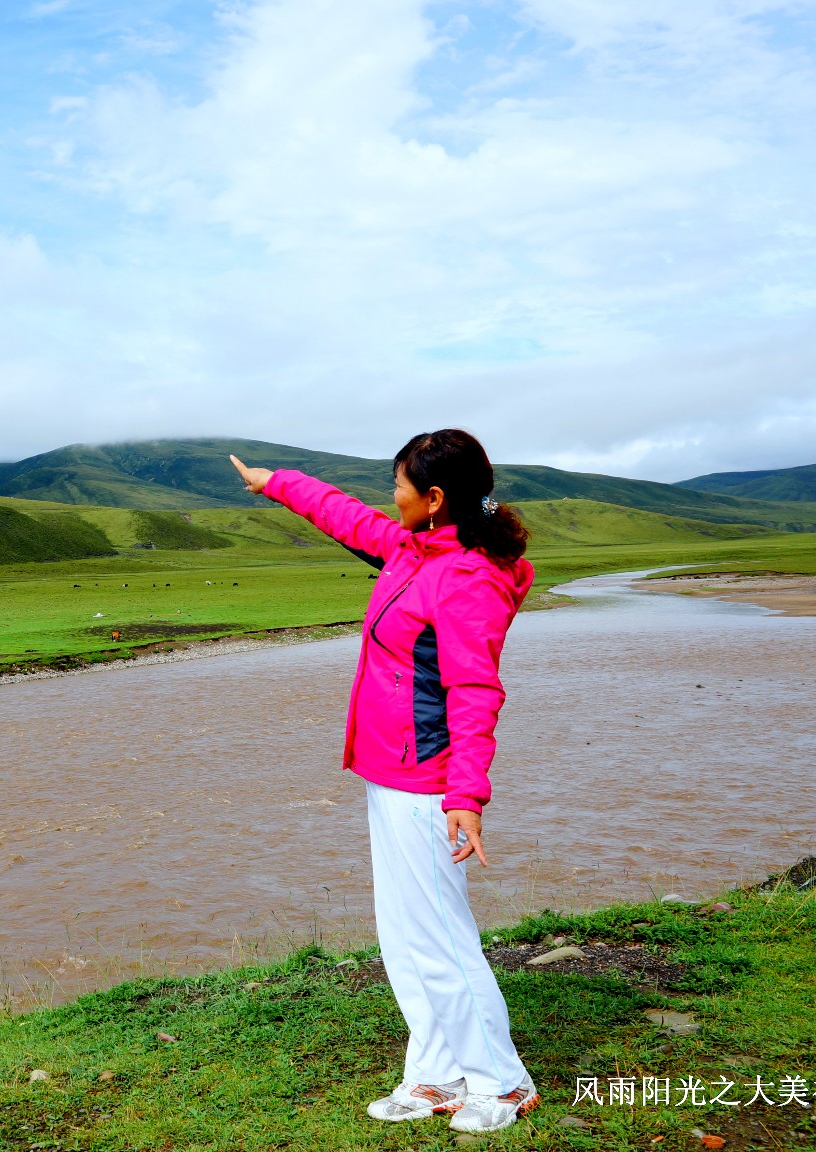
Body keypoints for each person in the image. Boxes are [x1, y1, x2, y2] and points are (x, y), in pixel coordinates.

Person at [230, 429, 539, 1134]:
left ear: (434, 499)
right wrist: (275, 482)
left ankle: (503, 1082)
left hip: (428, 780)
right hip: (388, 771)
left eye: (400, 485)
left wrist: (466, 796)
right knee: (404, 934)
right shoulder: (413, 549)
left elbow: (474, 691)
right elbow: (347, 517)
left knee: (441, 937)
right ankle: (436, 1076)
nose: (389, 496)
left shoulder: (467, 579)